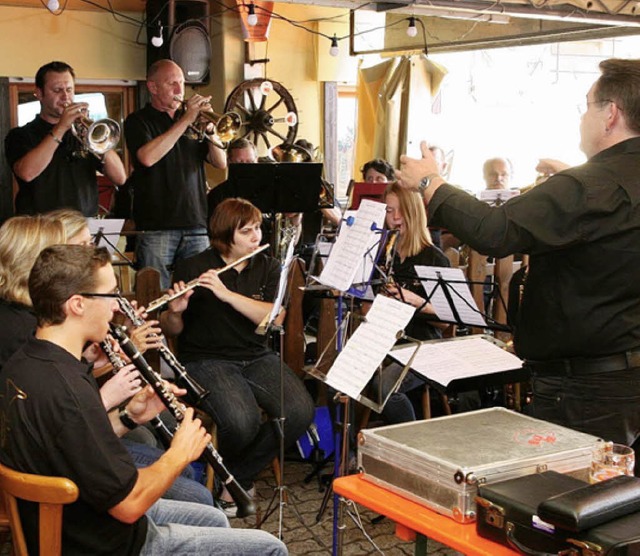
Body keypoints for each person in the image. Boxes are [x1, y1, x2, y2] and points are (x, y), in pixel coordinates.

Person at [397, 58, 640, 450]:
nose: (582, 116)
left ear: (610, 114)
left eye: (587, 105)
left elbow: (495, 232)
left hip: (584, 386)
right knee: (623, 500)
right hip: (629, 374)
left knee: (568, 499)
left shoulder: (583, 187)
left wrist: (431, 182)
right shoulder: (594, 186)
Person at [0, 244, 287, 555]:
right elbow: (129, 505)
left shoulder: (26, 362)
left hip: (76, 517)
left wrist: (129, 417)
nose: (116, 307)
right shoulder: (68, 389)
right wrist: (179, 453)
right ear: (77, 304)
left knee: (213, 517)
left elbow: (73, 442)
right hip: (102, 541)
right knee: (271, 548)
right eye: (110, 295)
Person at [160, 198, 315, 515]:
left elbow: (274, 317)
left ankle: (232, 476)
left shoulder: (268, 266)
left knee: (299, 412)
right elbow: (171, 329)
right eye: (246, 231)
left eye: (257, 228)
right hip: (206, 359)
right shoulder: (193, 266)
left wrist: (225, 294)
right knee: (240, 422)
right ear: (225, 234)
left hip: (256, 356)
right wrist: (174, 311)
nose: (256, 236)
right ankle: (233, 480)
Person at [124, 59, 227, 289]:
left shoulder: (190, 122)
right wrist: (186, 120)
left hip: (196, 223)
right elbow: (147, 157)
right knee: (154, 294)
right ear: (153, 87)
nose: (180, 90)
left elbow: (220, 163)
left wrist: (210, 129)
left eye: (181, 83)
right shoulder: (138, 121)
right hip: (156, 226)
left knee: (199, 295)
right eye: (172, 84)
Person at [4, 61, 127, 217]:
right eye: (57, 90)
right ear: (39, 94)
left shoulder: (82, 134)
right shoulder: (21, 135)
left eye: (69, 90)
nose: (65, 96)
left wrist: (97, 141)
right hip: (41, 228)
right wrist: (61, 127)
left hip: (82, 227)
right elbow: (27, 173)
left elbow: (120, 178)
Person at [372, 182, 451, 423]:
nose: (394, 218)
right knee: (340, 381)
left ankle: (410, 443)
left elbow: (445, 323)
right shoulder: (385, 255)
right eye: (388, 211)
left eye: (400, 211)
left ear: (414, 213)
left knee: (384, 389)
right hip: (388, 339)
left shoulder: (434, 259)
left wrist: (416, 301)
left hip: (423, 345)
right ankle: (355, 448)